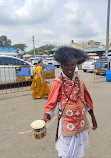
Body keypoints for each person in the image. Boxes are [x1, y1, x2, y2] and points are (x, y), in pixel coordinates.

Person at [42, 47, 97, 158]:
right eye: (67, 65)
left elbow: (85, 100)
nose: (70, 68)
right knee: (65, 152)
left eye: (72, 65)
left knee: (78, 151)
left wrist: (93, 118)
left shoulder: (80, 80)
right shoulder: (57, 82)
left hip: (81, 122)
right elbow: (51, 105)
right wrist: (44, 120)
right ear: (62, 66)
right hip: (67, 123)